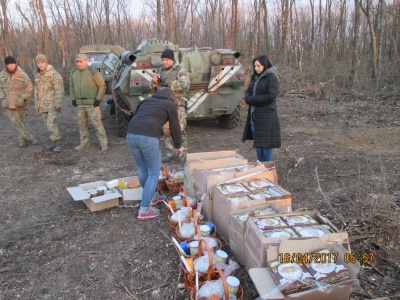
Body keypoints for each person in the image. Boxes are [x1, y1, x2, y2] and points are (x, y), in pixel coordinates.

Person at [126, 87, 182, 220]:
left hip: (130, 134)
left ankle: (151, 196)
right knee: (153, 172)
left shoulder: (145, 101)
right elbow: (175, 126)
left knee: (143, 169)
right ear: (171, 97)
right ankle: (145, 209)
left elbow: (137, 118)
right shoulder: (169, 104)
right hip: (148, 137)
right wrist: (178, 145)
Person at [151, 48, 190, 163]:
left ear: (172, 60)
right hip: (163, 104)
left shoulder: (181, 71)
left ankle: (183, 154)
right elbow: (152, 88)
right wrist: (154, 82)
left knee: (180, 129)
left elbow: (185, 86)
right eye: (163, 59)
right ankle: (170, 153)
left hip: (177, 104)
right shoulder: (159, 71)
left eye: (166, 59)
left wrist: (168, 82)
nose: (164, 62)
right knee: (166, 129)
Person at [242, 54, 281, 162]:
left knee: (266, 145)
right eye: (255, 66)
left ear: (265, 65)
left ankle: (266, 167)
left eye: (258, 66)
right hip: (254, 118)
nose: (256, 68)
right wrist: (248, 98)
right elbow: (247, 93)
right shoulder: (254, 78)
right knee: (258, 144)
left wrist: (251, 99)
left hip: (267, 118)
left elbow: (270, 96)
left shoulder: (271, 78)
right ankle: (260, 165)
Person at [70, 53, 108, 152]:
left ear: (86, 61)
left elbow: (102, 85)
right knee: (81, 125)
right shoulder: (74, 72)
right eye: (77, 61)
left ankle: (103, 143)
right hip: (80, 104)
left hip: (92, 104)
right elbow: (71, 86)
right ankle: (84, 143)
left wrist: (98, 99)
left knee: (97, 124)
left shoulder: (93, 72)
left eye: (81, 61)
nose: (79, 64)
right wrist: (73, 98)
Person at [0, 56, 39, 148]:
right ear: (6, 65)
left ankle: (22, 141)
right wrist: (3, 99)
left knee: (22, 122)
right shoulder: (2, 75)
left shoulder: (22, 74)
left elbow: (29, 87)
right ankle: (30, 138)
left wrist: (23, 98)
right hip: (8, 104)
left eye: (12, 63)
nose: (10, 66)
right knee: (16, 122)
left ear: (15, 63)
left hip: (21, 103)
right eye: (8, 64)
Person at [34, 54, 64, 152]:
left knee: (50, 124)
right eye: (38, 63)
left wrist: (58, 103)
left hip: (53, 105)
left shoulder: (53, 74)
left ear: (46, 62)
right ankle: (54, 142)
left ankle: (58, 143)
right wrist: (37, 104)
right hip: (43, 106)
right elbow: (36, 92)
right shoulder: (38, 75)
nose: (40, 65)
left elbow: (59, 90)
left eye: (42, 62)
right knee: (48, 126)